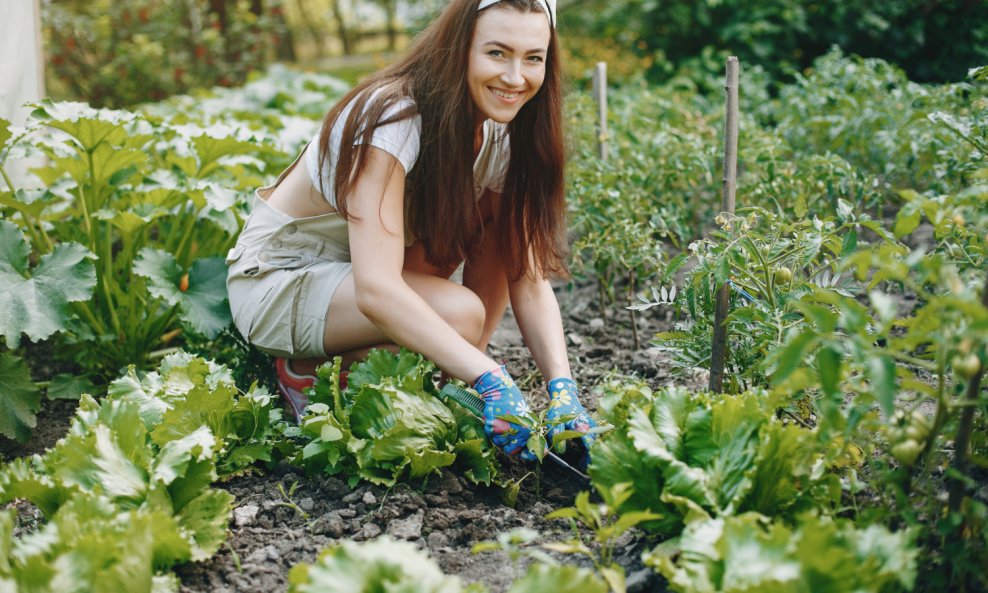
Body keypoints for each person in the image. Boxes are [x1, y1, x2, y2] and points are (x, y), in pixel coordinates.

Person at [226, 0, 595, 464]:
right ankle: (304, 372)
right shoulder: (392, 116)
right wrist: (492, 377)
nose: (515, 77)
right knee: (460, 313)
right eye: (497, 53)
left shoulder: (501, 133)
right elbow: (377, 290)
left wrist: (562, 388)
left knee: (501, 234)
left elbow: (528, 276)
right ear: (459, 46)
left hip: (349, 278)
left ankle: (454, 381)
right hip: (279, 284)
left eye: (533, 58)